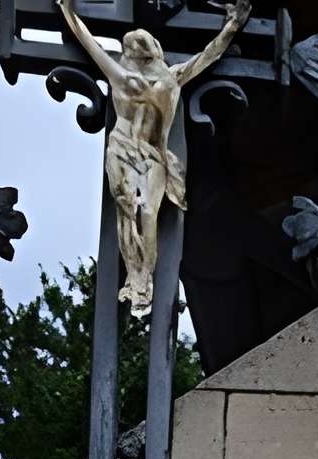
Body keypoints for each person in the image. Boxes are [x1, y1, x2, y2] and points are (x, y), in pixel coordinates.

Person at [54, 0, 250, 316]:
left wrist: (232, 26)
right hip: (122, 148)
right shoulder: (130, 77)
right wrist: (66, 10)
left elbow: (209, 54)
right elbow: (87, 41)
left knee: (146, 212)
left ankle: (144, 279)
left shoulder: (160, 79)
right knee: (128, 211)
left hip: (151, 154)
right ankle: (136, 277)